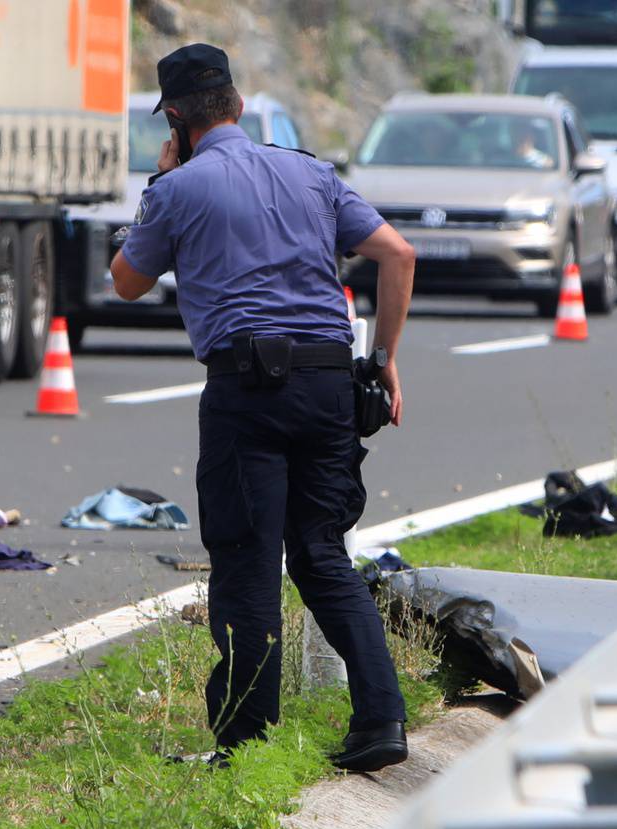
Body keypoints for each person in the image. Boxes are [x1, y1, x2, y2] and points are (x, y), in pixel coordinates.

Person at [110, 43, 418, 773]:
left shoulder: (178, 189)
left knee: (247, 564)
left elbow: (126, 282)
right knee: (321, 555)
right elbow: (398, 255)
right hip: (329, 385)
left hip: (246, 391)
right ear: (240, 107)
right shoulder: (311, 173)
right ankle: (382, 721)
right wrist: (384, 359)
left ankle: (247, 745)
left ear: (177, 120)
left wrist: (160, 182)